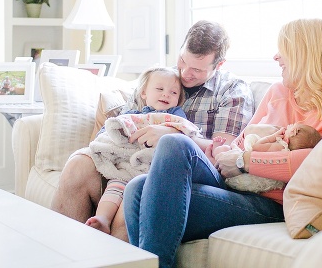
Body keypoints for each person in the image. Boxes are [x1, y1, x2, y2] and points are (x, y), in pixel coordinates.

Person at [123, 18, 322, 268]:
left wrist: (244, 161)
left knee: (147, 181)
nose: (276, 57)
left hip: (273, 203)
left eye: (283, 50)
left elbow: (318, 163)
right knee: (145, 177)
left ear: (306, 55)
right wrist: (224, 150)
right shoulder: (277, 93)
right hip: (233, 183)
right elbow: (242, 141)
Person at [50, 20, 254, 239]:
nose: (185, 73)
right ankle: (62, 253)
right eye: (182, 60)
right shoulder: (163, 78)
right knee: (77, 165)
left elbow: (221, 159)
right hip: (130, 160)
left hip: (178, 175)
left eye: (196, 69)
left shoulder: (232, 91)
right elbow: (125, 120)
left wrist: (173, 135)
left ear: (219, 65)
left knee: (133, 197)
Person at [86, 66, 192, 234]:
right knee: (115, 185)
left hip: (152, 167)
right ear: (144, 93)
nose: (166, 94)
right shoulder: (133, 113)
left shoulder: (175, 114)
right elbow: (110, 130)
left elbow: (186, 131)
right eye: (159, 89)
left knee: (130, 192)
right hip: (128, 163)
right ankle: (102, 219)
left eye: (173, 93)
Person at [215, 122, 322, 193]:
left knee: (221, 150)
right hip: (238, 171)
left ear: (289, 138)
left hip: (241, 178)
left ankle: (213, 153)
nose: (287, 126)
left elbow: (256, 147)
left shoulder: (279, 147)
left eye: (292, 126)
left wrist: (271, 137)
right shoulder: (282, 150)